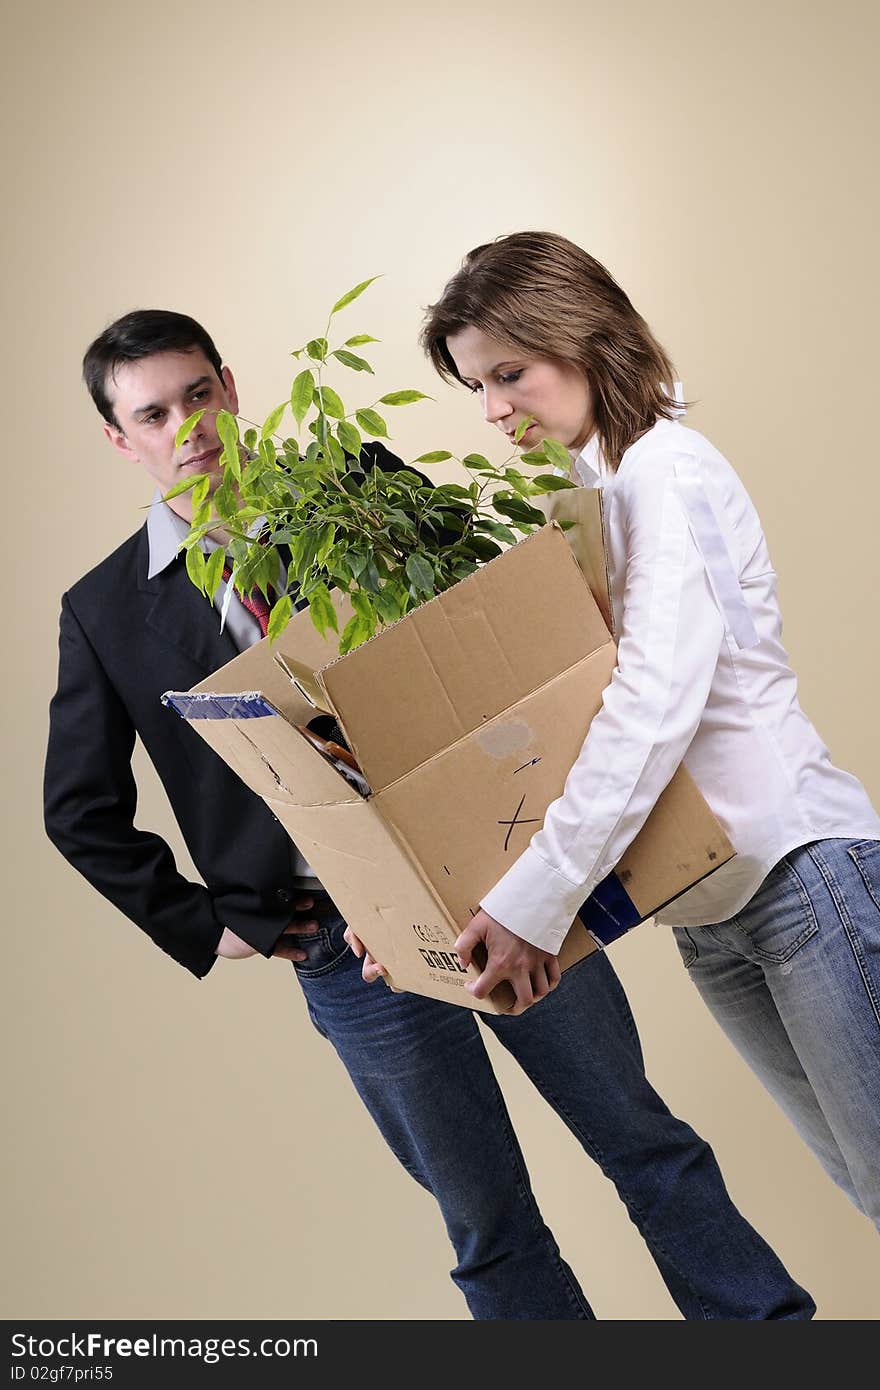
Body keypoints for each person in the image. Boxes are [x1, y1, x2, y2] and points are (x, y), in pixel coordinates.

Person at [43, 307, 814, 1320]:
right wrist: (214, 922)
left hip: (503, 888)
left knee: (643, 1142)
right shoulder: (102, 609)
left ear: (230, 389)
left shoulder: (357, 492)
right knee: (485, 1223)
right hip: (340, 950)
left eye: (198, 397)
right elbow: (79, 807)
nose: (187, 429)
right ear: (119, 436)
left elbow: (490, 622)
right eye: (153, 414)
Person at [418, 230, 880, 1230]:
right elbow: (577, 724)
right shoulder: (594, 496)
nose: (494, 409)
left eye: (510, 373)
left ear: (585, 339)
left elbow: (653, 707)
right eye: (475, 385)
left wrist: (535, 900)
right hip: (705, 912)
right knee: (860, 1184)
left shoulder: (668, 472)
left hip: (798, 876)